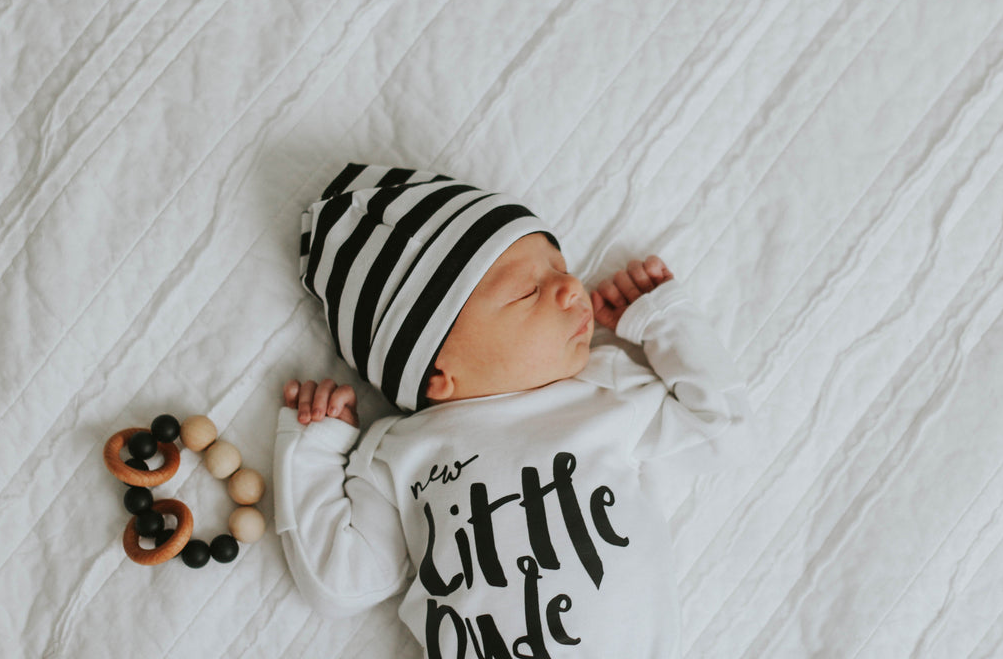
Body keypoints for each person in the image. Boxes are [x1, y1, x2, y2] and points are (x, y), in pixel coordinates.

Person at [274, 163, 748, 658]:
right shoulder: (395, 453)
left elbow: (724, 433)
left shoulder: (602, 389)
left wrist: (662, 322)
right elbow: (342, 584)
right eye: (527, 292)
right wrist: (315, 448)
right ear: (438, 373)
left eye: (561, 268)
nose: (571, 288)